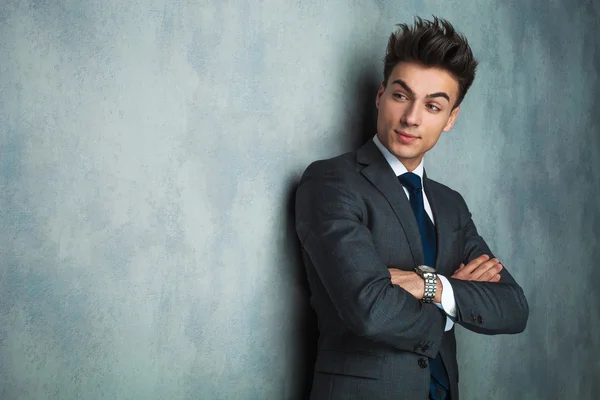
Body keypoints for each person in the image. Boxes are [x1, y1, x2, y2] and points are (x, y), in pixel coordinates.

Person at [294, 16, 529, 400]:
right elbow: (370, 310)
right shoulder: (332, 182)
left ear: (450, 118)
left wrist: (429, 286)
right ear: (380, 95)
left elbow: (513, 307)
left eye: (433, 106)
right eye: (401, 96)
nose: (411, 118)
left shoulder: (451, 205)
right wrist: (455, 303)